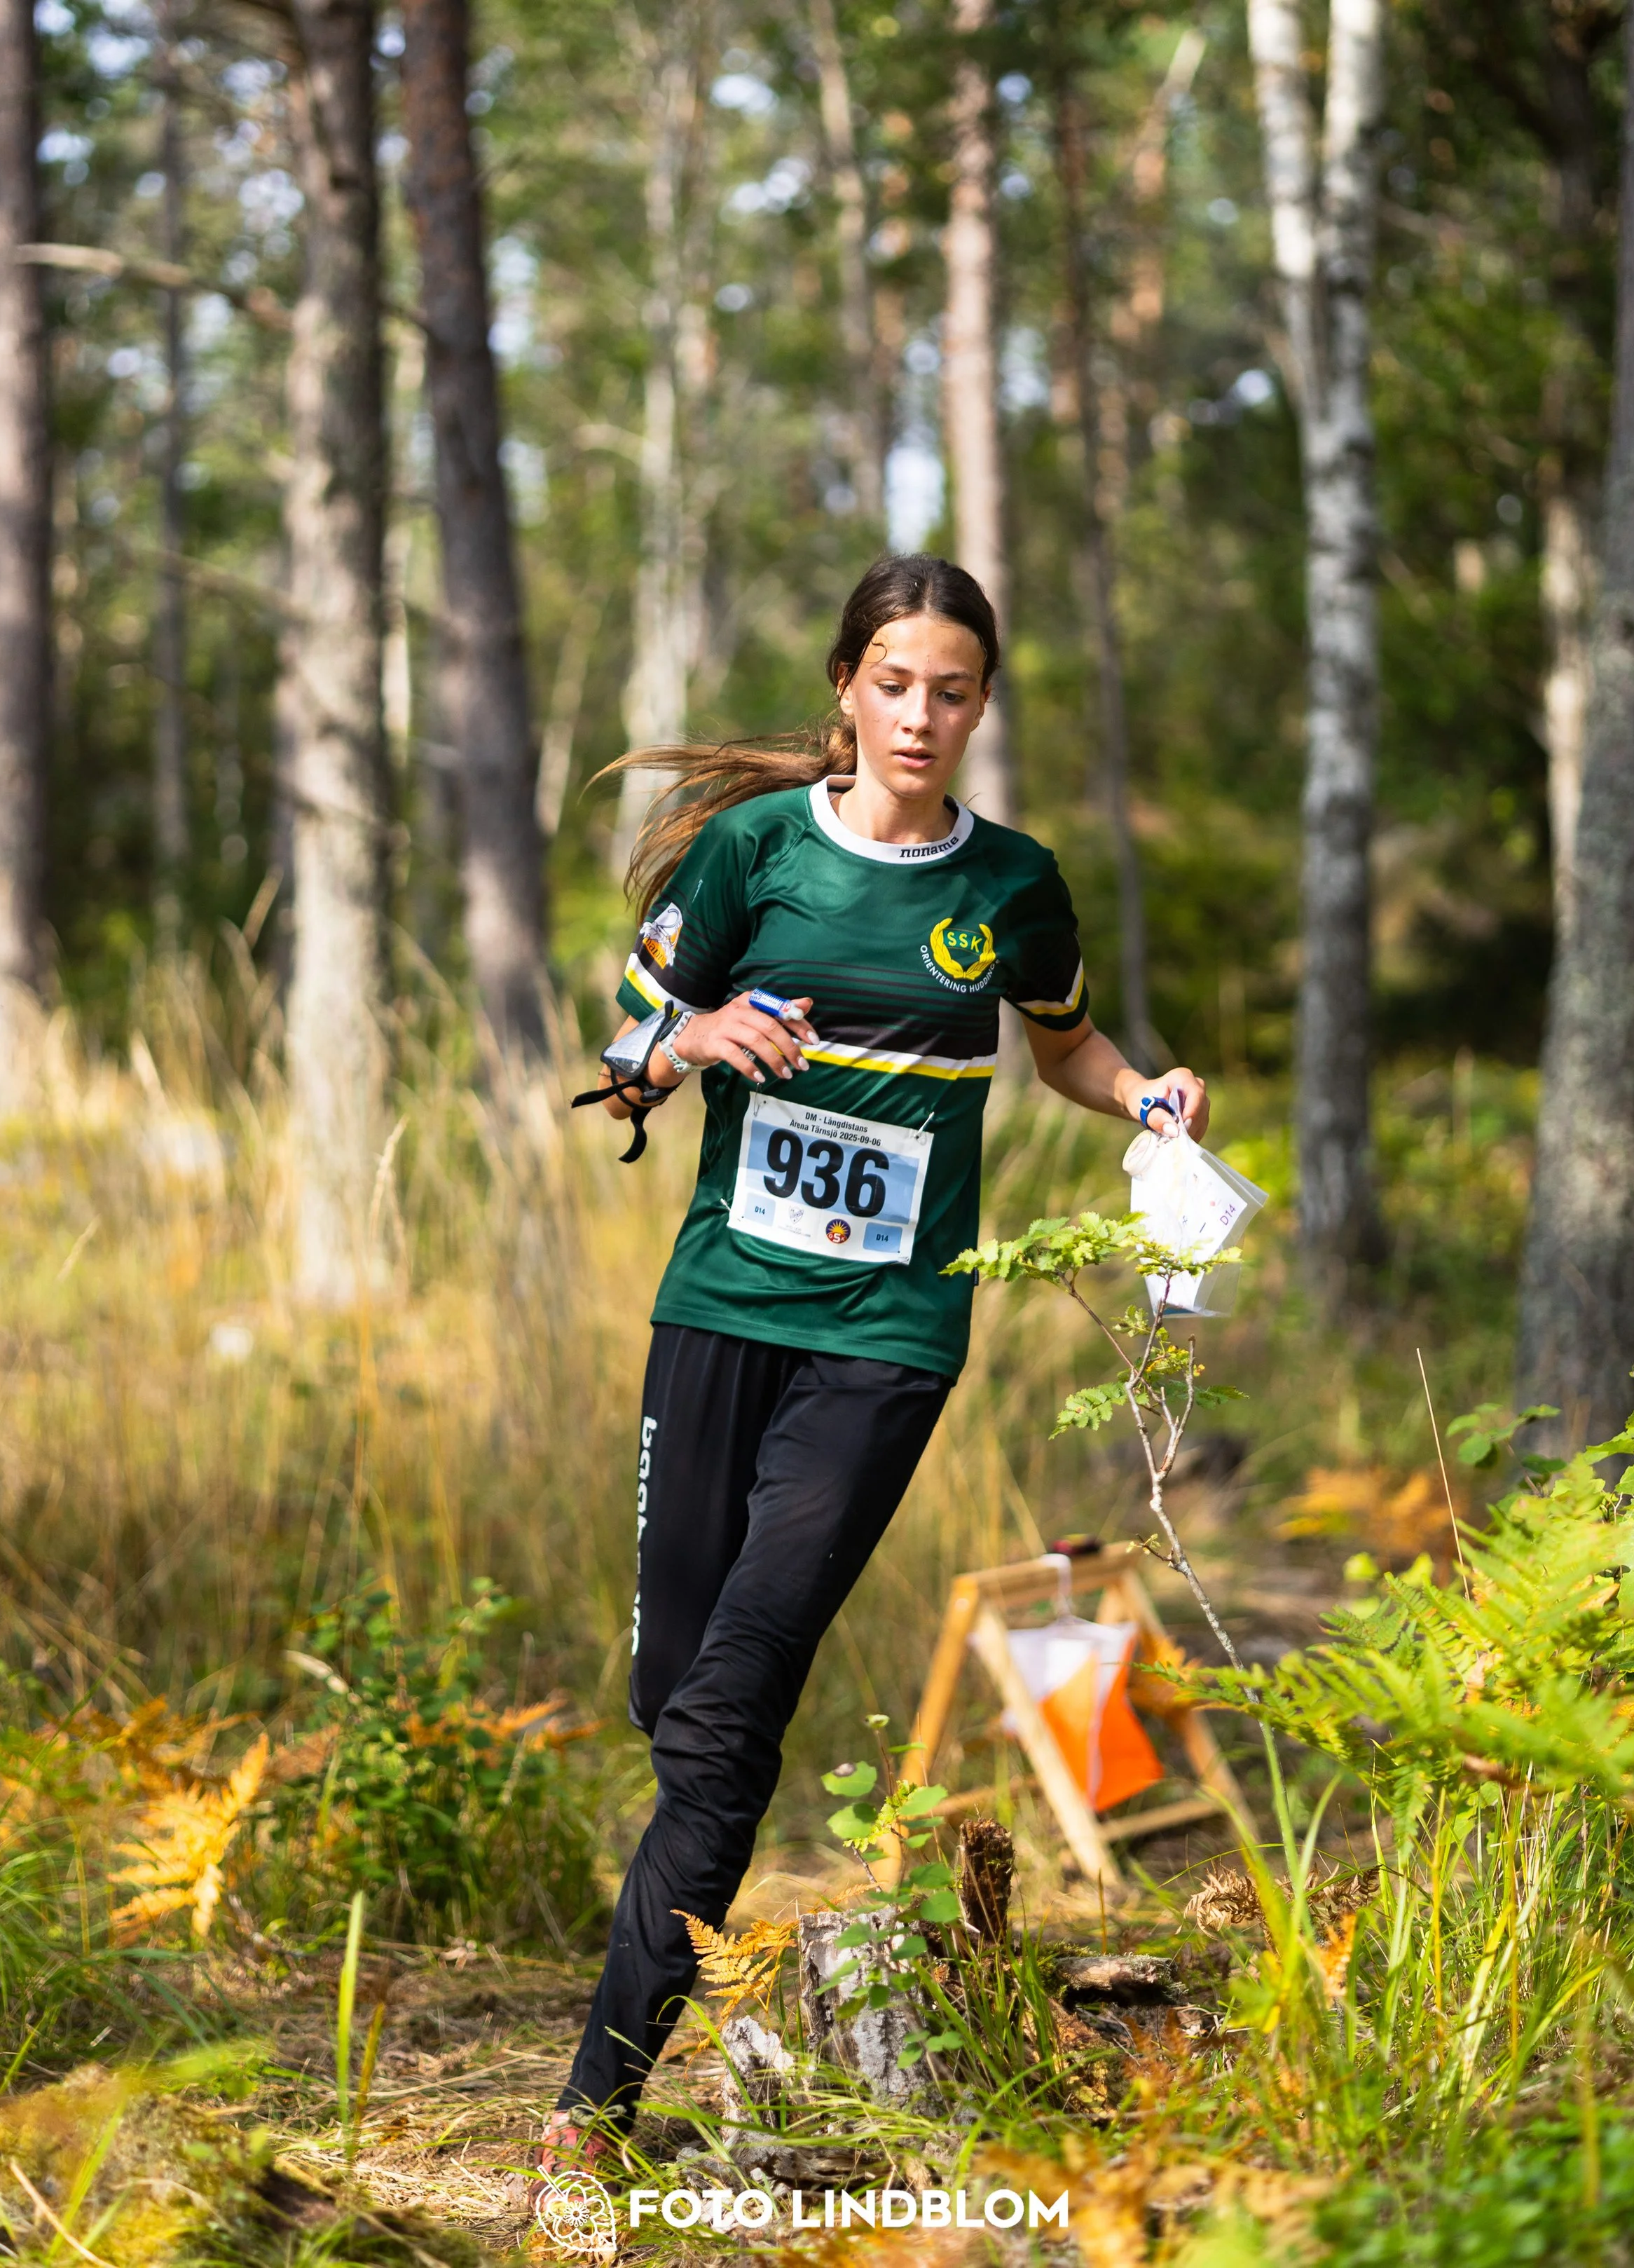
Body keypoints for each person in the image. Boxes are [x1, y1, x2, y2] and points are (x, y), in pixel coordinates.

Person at [542, 554, 1207, 2165]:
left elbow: (1060, 1041)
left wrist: (1144, 1096)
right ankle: (675, 1980)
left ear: (982, 704)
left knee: (729, 1716)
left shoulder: (1011, 888)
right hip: (718, 1309)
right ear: (847, 685)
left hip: (886, 1334)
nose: (921, 714)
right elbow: (623, 1044)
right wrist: (684, 1041)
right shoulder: (749, 851)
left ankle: (590, 2109)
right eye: (894, 682)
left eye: (953, 690)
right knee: (672, 1692)